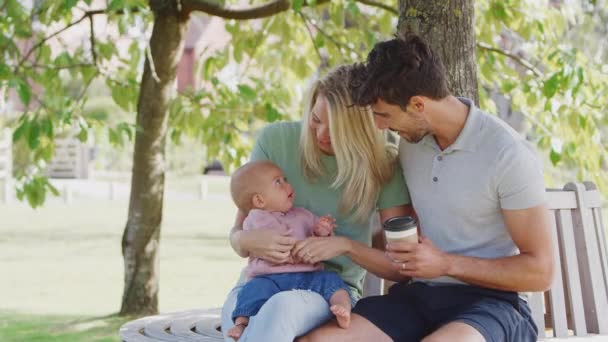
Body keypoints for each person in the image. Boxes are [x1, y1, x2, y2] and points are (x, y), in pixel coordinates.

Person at [299, 35, 555, 342]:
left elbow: (541, 271)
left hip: (492, 305)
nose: (380, 127)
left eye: (384, 115)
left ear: (418, 105)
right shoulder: (412, 145)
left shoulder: (507, 155)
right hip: (418, 297)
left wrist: (446, 264)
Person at [221, 65, 413, 342]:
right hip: (256, 285)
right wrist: (248, 240)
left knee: (281, 309)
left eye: (335, 130)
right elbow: (237, 236)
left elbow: (399, 268)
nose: (321, 134)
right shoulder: (275, 141)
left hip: (326, 293)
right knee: (241, 326)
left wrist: (346, 246)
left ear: (359, 131)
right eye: (315, 119)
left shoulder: (383, 166)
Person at [227, 160, 352, 340]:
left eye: (285, 179)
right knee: (252, 291)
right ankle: (241, 323)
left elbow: (319, 241)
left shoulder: (302, 214)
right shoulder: (255, 220)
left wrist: (322, 231)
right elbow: (262, 241)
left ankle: (342, 308)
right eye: (278, 182)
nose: (288, 185)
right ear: (259, 200)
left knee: (331, 281)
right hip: (269, 278)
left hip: (307, 276)